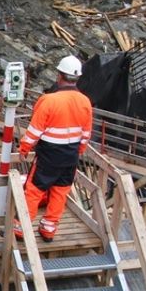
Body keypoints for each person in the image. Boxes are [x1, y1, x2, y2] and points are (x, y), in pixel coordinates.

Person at [15, 55, 93, 242]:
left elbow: (34, 130)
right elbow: (86, 133)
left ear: (59, 76)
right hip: (71, 155)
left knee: (34, 189)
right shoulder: (85, 102)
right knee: (60, 191)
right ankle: (49, 228)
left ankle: (20, 228)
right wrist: (79, 151)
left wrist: (24, 149)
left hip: (49, 154)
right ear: (77, 78)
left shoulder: (48, 100)